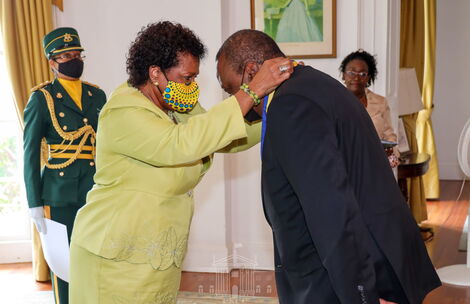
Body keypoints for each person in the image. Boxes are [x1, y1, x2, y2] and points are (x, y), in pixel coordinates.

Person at [68, 21, 292, 304]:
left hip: (156, 255)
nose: (191, 86)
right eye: (186, 78)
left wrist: (279, 116)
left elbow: (220, 136)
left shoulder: (174, 104)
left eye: (194, 78)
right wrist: (250, 92)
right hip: (115, 256)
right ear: (155, 73)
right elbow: (180, 144)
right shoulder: (124, 109)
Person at [216, 29, 441, 304]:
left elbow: (331, 208)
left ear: (251, 72)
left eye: (231, 88)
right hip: (363, 254)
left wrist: (361, 294)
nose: (235, 102)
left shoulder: (291, 104)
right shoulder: (310, 84)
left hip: (342, 273)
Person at [23, 27, 106, 304]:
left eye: (77, 54)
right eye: (66, 55)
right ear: (52, 62)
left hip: (95, 188)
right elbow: (30, 153)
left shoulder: (97, 96)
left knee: (95, 254)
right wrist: (35, 202)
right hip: (59, 191)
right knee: (64, 262)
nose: (74, 59)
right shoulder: (41, 98)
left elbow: (106, 145)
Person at [340, 49, 400, 168]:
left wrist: (391, 153)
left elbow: (389, 135)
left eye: (362, 74)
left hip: (375, 164)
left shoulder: (381, 102)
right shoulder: (334, 101)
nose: (356, 78)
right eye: (352, 72)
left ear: (368, 78)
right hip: (344, 165)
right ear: (343, 75)